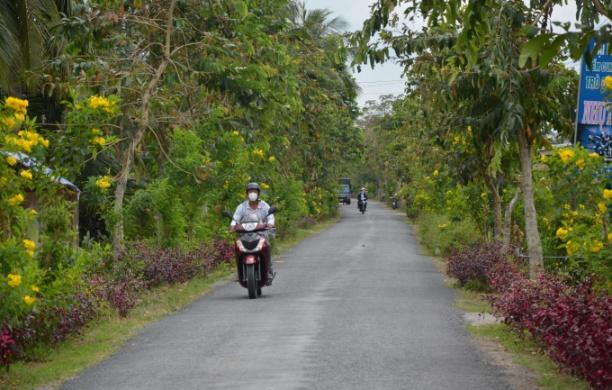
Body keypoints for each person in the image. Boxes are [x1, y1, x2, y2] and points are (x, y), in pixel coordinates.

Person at [230, 182, 276, 281]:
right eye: (250, 191)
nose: (252, 194)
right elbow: (235, 218)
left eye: (254, 191)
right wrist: (233, 225)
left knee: (267, 247)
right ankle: (239, 272)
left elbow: (270, 217)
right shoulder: (241, 206)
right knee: (237, 247)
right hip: (244, 234)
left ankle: (268, 271)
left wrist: (270, 223)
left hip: (261, 233)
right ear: (247, 194)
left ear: (258, 193)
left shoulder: (264, 205)